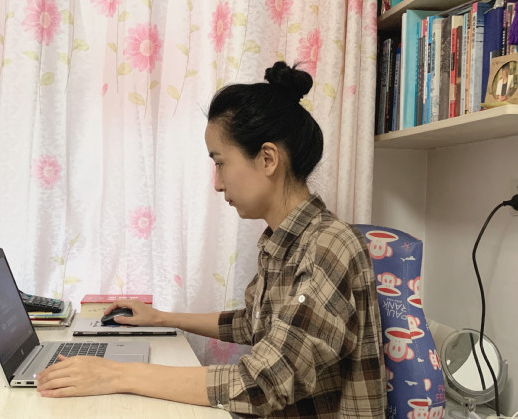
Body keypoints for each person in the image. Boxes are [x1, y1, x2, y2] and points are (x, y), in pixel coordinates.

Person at [37, 62, 386, 418]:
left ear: (268, 159)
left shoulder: (330, 245)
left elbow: (262, 384)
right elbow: (252, 323)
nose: (217, 184)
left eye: (220, 163)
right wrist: (160, 318)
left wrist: (115, 375)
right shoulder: (283, 242)